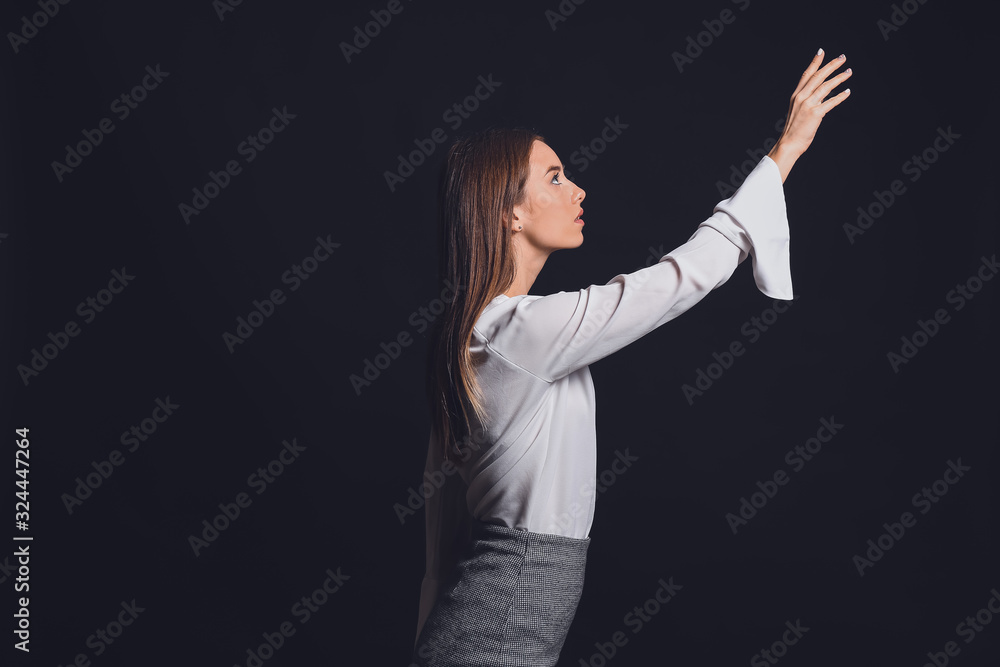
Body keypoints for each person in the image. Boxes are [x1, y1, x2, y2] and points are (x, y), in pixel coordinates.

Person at [412, 49, 852, 666]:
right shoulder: (515, 334)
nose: (577, 188)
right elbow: (683, 276)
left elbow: (441, 537)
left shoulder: (475, 334)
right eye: (556, 177)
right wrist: (786, 153)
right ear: (509, 209)